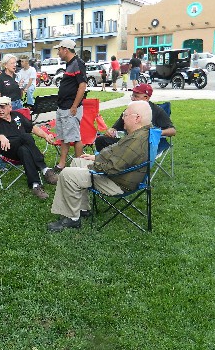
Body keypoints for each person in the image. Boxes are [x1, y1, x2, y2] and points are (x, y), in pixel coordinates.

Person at [47, 100, 153, 232]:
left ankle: (72, 219)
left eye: (125, 115)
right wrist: (95, 157)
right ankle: (82, 209)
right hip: (121, 175)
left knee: (67, 174)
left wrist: (91, 167)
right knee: (77, 161)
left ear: (137, 118)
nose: (122, 118)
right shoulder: (142, 133)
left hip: (118, 183)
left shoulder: (136, 140)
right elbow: (115, 152)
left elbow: (113, 168)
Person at [0, 97, 58, 199]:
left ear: (10, 107)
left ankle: (35, 185)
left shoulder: (17, 116)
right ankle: (44, 169)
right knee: (26, 136)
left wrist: (46, 136)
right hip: (8, 150)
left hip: (21, 149)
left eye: (2, 107)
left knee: (24, 150)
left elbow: (32, 128)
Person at [94, 83, 176, 151]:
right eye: (132, 95)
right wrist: (111, 131)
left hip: (142, 144)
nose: (133, 98)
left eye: (136, 96)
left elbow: (172, 130)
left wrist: (156, 133)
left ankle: (118, 165)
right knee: (100, 140)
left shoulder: (157, 110)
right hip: (124, 140)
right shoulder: (130, 108)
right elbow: (116, 127)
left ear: (146, 98)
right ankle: (107, 164)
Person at [53, 38, 87, 172]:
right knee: (64, 138)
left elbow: (82, 85)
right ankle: (62, 164)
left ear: (65, 50)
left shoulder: (78, 63)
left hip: (70, 109)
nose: (58, 53)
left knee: (75, 137)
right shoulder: (70, 64)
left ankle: (79, 166)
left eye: (59, 50)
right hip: (63, 107)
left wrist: (74, 106)